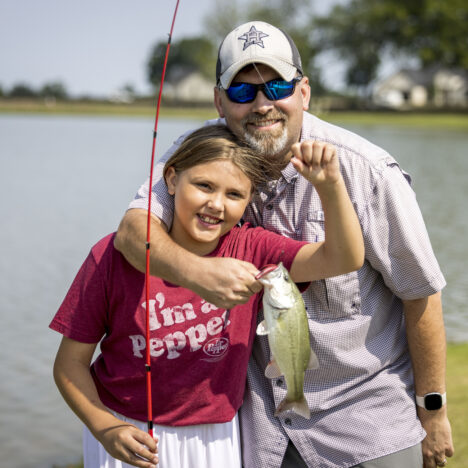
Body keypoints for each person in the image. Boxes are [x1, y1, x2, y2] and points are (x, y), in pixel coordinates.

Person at [115, 21, 454, 468]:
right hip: (261, 438)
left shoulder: (366, 170)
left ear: (304, 92)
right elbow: (132, 233)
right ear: (219, 102)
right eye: (243, 92)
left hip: (367, 427)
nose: (262, 104)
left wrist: (433, 410)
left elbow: (421, 293)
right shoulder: (199, 156)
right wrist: (198, 273)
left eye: (277, 85)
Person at [50, 124, 364, 468]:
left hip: (217, 437)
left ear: (248, 201)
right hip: (125, 431)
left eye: (234, 195)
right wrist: (104, 427)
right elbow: (70, 365)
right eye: (203, 186)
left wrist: (330, 186)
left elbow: (343, 258)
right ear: (171, 180)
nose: (216, 204)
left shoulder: (253, 248)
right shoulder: (112, 256)